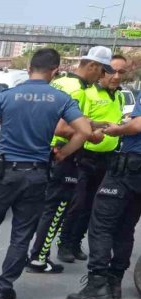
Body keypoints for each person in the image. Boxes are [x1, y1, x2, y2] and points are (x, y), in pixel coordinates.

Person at [0, 48, 91, 299]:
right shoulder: (60, 98)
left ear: (29, 68)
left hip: (4, 172)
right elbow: (83, 131)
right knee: (21, 234)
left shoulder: (6, 96)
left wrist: (4, 143)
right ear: (55, 71)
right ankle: (3, 288)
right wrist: (62, 154)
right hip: (37, 174)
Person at [26, 46, 114, 272]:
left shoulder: (63, 82)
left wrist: (95, 124)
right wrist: (91, 135)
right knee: (57, 207)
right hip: (63, 153)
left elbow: (72, 119)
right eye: (102, 71)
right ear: (92, 65)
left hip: (44, 152)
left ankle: (35, 254)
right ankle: (39, 257)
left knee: (47, 205)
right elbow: (62, 126)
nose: (102, 76)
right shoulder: (77, 89)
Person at [66, 94, 141, 299]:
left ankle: (97, 284)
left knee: (101, 225)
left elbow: (138, 125)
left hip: (130, 168)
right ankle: (114, 281)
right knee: (125, 227)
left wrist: (119, 129)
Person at [56, 55, 129, 262]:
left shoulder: (121, 97)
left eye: (121, 73)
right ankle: (64, 243)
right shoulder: (88, 93)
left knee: (92, 206)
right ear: (101, 72)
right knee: (76, 203)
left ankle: (76, 242)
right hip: (84, 155)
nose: (116, 77)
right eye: (111, 71)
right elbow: (77, 123)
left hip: (108, 158)